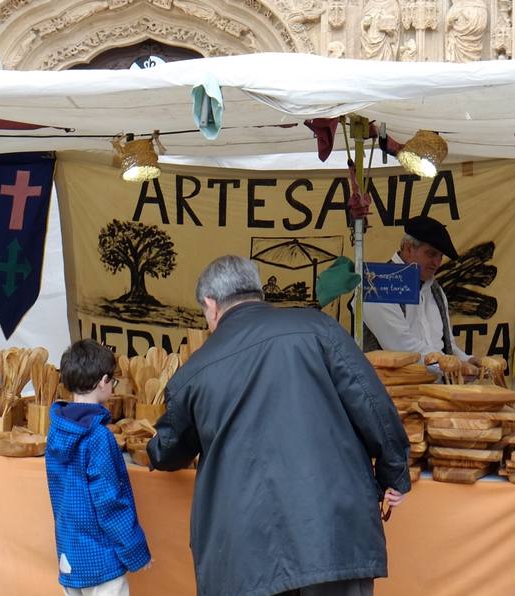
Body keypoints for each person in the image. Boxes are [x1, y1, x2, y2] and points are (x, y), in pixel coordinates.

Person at [148, 256, 409, 596]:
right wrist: (394, 474)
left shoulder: (195, 372)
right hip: (333, 533)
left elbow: (169, 450)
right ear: (258, 292)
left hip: (245, 552)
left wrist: (151, 450)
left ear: (211, 306)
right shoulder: (320, 328)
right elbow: (373, 405)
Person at [47, 339, 151, 596]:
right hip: (101, 558)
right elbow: (110, 503)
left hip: (69, 554)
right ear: (103, 381)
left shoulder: (56, 431)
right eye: (113, 381)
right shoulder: (98, 437)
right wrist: (135, 549)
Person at [362, 216, 475, 371]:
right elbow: (400, 345)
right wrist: (451, 366)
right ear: (408, 249)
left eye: (440, 256)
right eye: (431, 254)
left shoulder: (435, 290)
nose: (437, 262)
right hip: (393, 390)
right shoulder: (377, 284)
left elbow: (447, 345)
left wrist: (469, 360)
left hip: (436, 387)